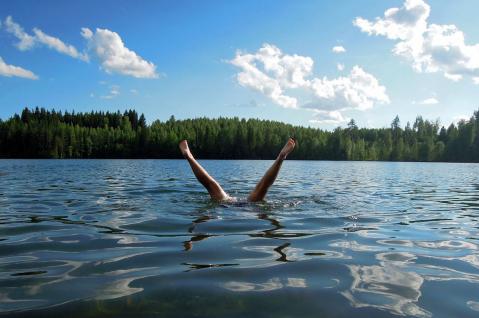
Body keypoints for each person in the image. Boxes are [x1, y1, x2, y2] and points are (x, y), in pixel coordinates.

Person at [179, 138, 296, 202]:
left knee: (211, 185)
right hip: (250, 208)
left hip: (226, 204)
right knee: (262, 187)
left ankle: (189, 157)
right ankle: (280, 158)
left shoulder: (228, 199)